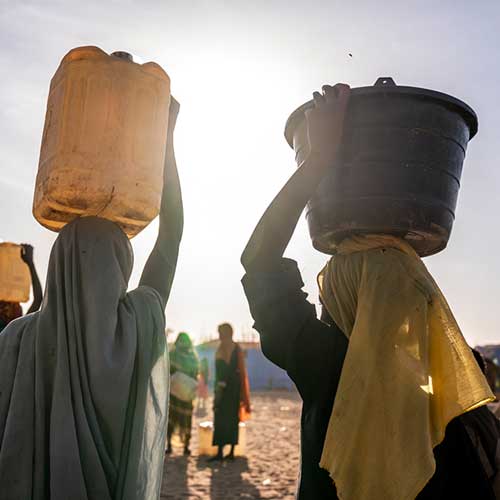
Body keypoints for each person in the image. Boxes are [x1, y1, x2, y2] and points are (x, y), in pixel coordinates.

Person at [241, 83, 497, 499]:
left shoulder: (326, 366)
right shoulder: (449, 390)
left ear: (349, 293)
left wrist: (319, 160)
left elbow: (258, 259)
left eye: (336, 279)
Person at [0, 97, 183, 500]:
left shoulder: (16, 339)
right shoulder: (137, 329)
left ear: (56, 267)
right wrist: (164, 141)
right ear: (122, 268)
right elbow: (171, 239)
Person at [210, 322, 251, 461]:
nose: (219, 335)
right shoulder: (226, 348)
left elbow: (230, 370)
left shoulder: (232, 348)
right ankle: (224, 452)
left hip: (229, 389)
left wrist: (222, 385)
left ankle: (228, 452)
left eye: (221, 332)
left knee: (228, 418)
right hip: (228, 388)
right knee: (224, 419)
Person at [167, 332, 199, 455]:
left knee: (183, 420)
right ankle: (172, 445)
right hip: (177, 394)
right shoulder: (176, 355)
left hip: (180, 394)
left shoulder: (176, 355)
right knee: (174, 419)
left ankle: (183, 446)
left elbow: (196, 373)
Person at [0, 243, 42, 332]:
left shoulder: (16, 330)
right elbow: (38, 300)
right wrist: (30, 263)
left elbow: (38, 300)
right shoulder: (17, 331)